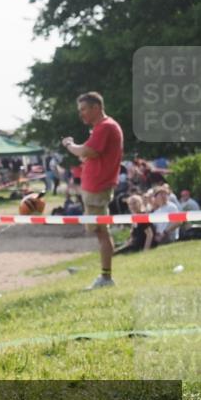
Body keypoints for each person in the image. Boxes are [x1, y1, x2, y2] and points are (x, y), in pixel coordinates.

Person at [62, 92, 123, 290]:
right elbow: (92, 154)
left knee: (101, 233)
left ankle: (106, 278)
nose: (81, 114)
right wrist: (84, 154)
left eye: (84, 109)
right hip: (94, 187)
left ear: (96, 107)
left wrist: (70, 145)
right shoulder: (101, 128)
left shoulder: (105, 126)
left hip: (97, 188)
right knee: (99, 233)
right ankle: (104, 275)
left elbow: (87, 151)